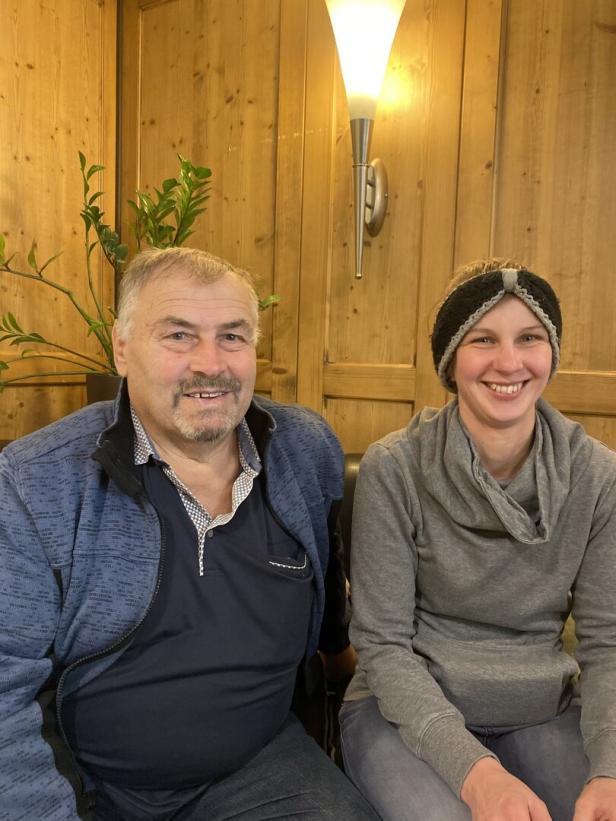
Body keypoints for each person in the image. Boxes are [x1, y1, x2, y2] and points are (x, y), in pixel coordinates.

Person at [0, 247, 379, 821]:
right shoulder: (36, 480)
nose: (211, 363)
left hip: (260, 767)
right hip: (92, 784)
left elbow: (327, 584)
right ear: (122, 349)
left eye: (233, 336)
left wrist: (343, 661)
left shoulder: (305, 449)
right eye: (178, 336)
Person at [339, 259, 616, 821]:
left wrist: (609, 767)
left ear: (551, 352)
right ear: (450, 359)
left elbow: (607, 642)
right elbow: (384, 646)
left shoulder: (598, 477)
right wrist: (477, 774)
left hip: (542, 708)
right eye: (483, 339)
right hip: (402, 711)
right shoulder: (395, 468)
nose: (509, 362)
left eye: (529, 338)